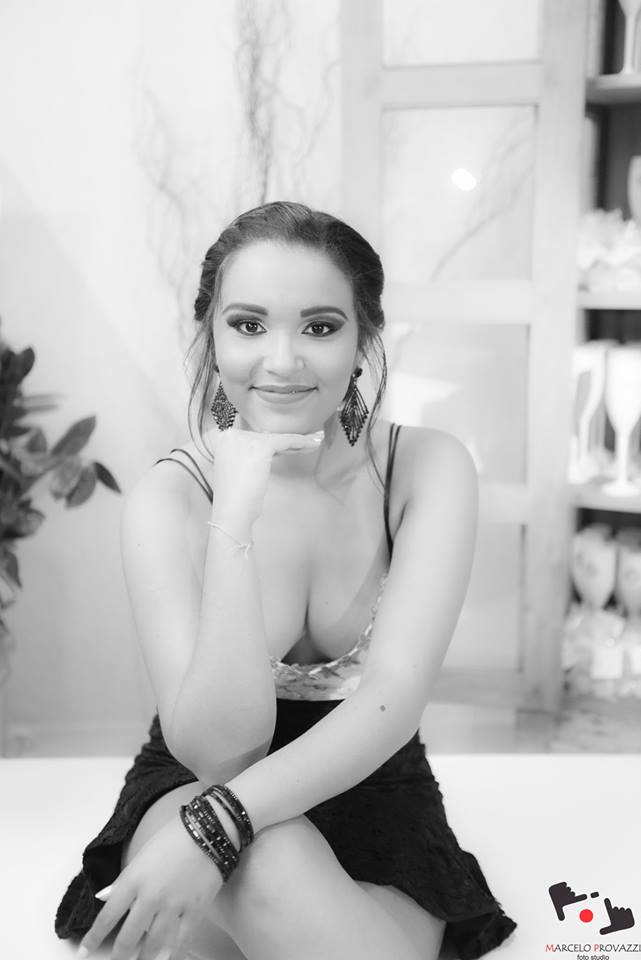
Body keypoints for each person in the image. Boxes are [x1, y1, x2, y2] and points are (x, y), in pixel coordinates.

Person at [55, 201, 517, 960]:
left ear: (364, 339)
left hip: (371, 780)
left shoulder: (425, 469)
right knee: (265, 858)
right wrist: (233, 524)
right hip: (194, 783)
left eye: (320, 327)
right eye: (248, 325)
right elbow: (219, 756)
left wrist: (215, 830)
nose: (281, 361)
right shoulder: (170, 499)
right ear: (210, 336)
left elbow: (393, 698)